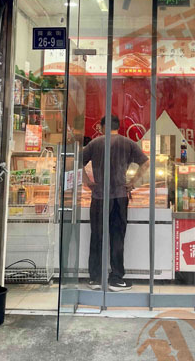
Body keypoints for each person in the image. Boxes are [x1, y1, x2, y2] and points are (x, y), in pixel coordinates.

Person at [82, 115, 148, 291]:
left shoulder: (94, 143)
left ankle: (96, 278)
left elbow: (76, 162)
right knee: (117, 237)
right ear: (118, 127)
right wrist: (132, 182)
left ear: (103, 127)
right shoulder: (128, 143)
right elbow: (145, 163)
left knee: (97, 236)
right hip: (119, 196)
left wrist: (87, 182)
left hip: (99, 197)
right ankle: (116, 278)